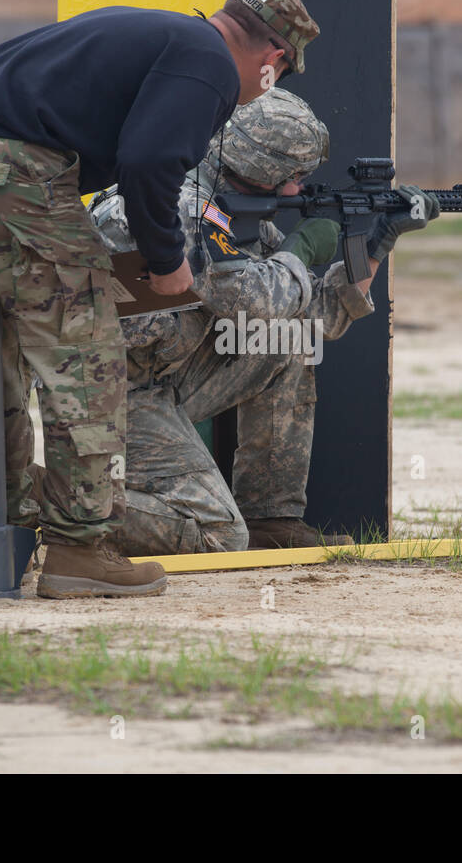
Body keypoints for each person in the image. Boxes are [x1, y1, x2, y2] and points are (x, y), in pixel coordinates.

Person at [0, 0, 319, 598]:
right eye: (279, 76)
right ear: (273, 57)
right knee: (87, 355)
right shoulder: (209, 61)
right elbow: (148, 160)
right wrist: (166, 258)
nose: (264, 89)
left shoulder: (163, 33)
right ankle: (78, 548)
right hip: (8, 169)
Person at [89, 87, 439, 555]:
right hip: (108, 398)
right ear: (265, 171)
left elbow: (314, 318)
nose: (299, 188)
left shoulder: (230, 204)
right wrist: (300, 250)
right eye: (295, 175)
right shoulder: (185, 206)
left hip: (162, 379)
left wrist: (375, 245)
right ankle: (56, 501)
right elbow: (256, 302)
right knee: (218, 535)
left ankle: (271, 517)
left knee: (288, 338)